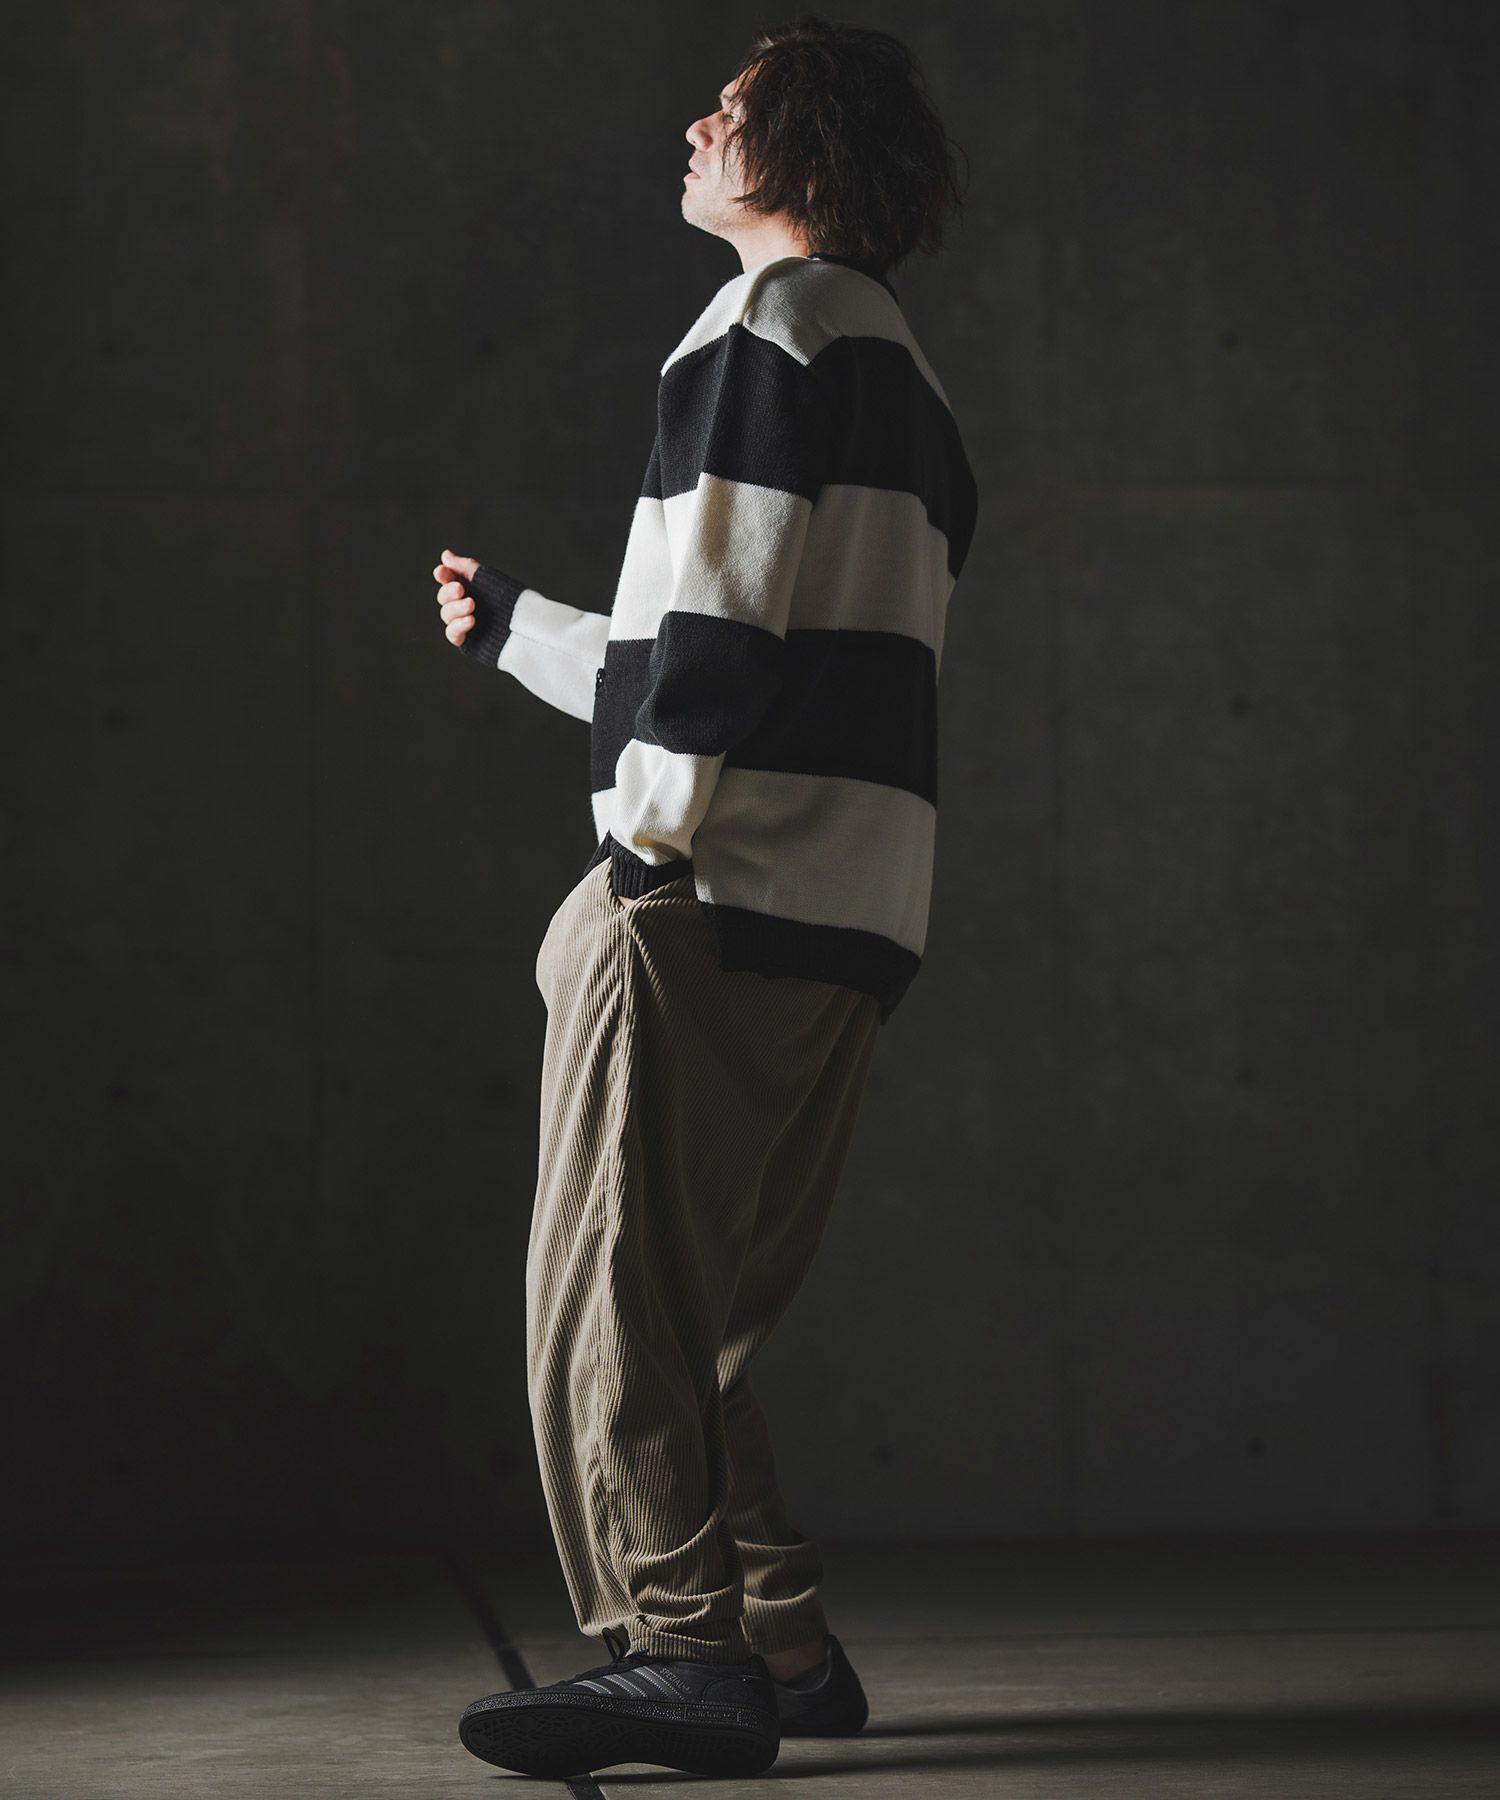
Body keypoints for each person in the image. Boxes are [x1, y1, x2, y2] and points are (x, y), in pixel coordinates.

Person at [435, 17, 977, 1781]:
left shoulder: (761, 328)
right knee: (706, 1315)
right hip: (850, 913)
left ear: (799, 149)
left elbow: (717, 650)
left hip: (708, 897)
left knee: (614, 1296)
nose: (693, 126)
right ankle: (783, 1647)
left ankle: (680, 1656)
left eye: (729, 109)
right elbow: (773, 653)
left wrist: (645, 852)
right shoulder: (906, 377)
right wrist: (520, 631)